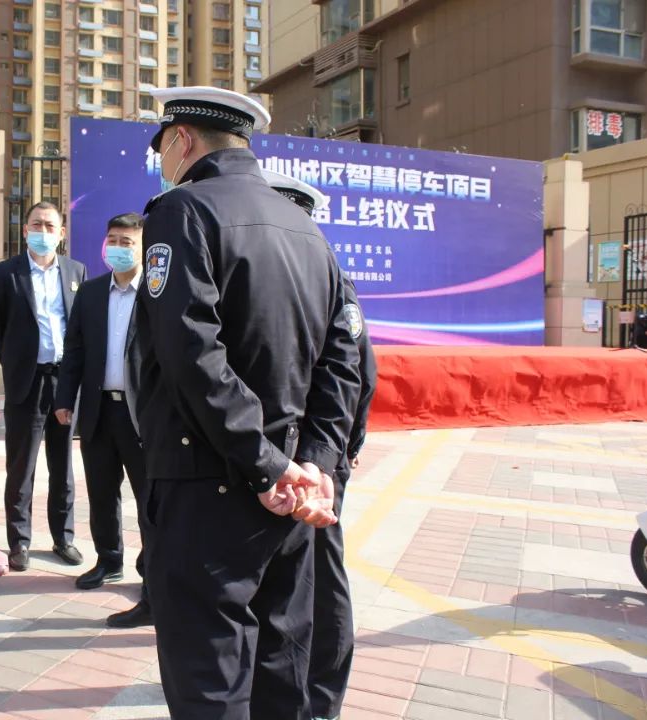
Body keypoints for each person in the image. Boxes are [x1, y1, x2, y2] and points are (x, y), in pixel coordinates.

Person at [136, 87, 362, 719]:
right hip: (289, 493)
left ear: (182, 139)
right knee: (281, 666)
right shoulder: (306, 227)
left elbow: (191, 353)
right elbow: (341, 361)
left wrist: (264, 464)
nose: (162, 163)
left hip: (209, 481)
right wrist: (312, 462)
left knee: (211, 675)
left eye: (162, 148)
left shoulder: (182, 210)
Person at [265, 169, 378, 720]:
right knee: (289, 582)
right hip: (283, 459)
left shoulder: (329, 279)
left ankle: (321, 697)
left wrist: (332, 457)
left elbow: (357, 372)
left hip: (317, 462)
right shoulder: (274, 275)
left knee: (321, 580)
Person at [54, 212, 152, 628]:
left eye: (127, 242)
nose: (118, 247)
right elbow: (74, 349)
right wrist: (64, 398)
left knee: (150, 498)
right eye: (113, 239)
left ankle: (152, 574)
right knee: (101, 492)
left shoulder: (157, 292)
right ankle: (109, 560)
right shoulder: (92, 292)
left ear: (143, 248)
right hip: (98, 410)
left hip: (142, 415)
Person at [0, 202, 87, 571]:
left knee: (63, 466)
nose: (43, 231)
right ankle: (20, 542)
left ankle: (64, 538)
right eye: (36, 224)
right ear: (25, 230)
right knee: (21, 466)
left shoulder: (76, 271)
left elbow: (80, 326)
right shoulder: (5, 273)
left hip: (65, 381)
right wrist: (15, 361)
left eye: (50, 226)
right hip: (26, 381)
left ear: (62, 233)